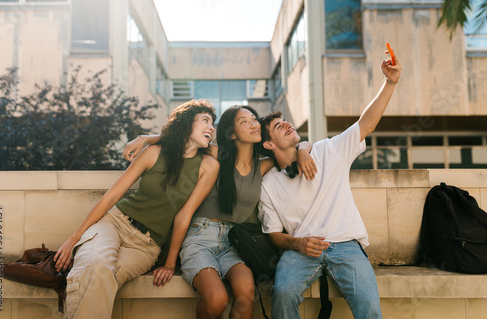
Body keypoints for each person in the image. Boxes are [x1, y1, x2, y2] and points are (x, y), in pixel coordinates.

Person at [123, 105, 316, 319]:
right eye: (244, 121)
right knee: (217, 300)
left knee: (246, 292)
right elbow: (183, 139)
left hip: (233, 243)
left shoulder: (264, 165)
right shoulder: (218, 154)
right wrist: (144, 139)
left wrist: (303, 150)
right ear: (232, 134)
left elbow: (296, 146)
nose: (253, 123)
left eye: (254, 119)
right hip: (199, 239)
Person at [258, 49, 402, 319]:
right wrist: (298, 244)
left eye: (285, 121)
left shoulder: (327, 150)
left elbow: (366, 124)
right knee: (283, 295)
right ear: (268, 144)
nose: (287, 125)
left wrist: (390, 82)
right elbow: (274, 235)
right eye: (278, 127)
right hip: (300, 249)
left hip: (345, 243)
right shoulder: (268, 184)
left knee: (370, 307)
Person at [54, 99, 220, 319]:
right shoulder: (153, 153)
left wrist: (170, 264)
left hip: (147, 246)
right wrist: (73, 239)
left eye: (213, 123)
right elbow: (113, 195)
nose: (211, 127)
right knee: (97, 266)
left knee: (102, 276)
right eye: (205, 120)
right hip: (115, 223)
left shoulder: (209, 166)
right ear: (187, 122)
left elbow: (184, 215)